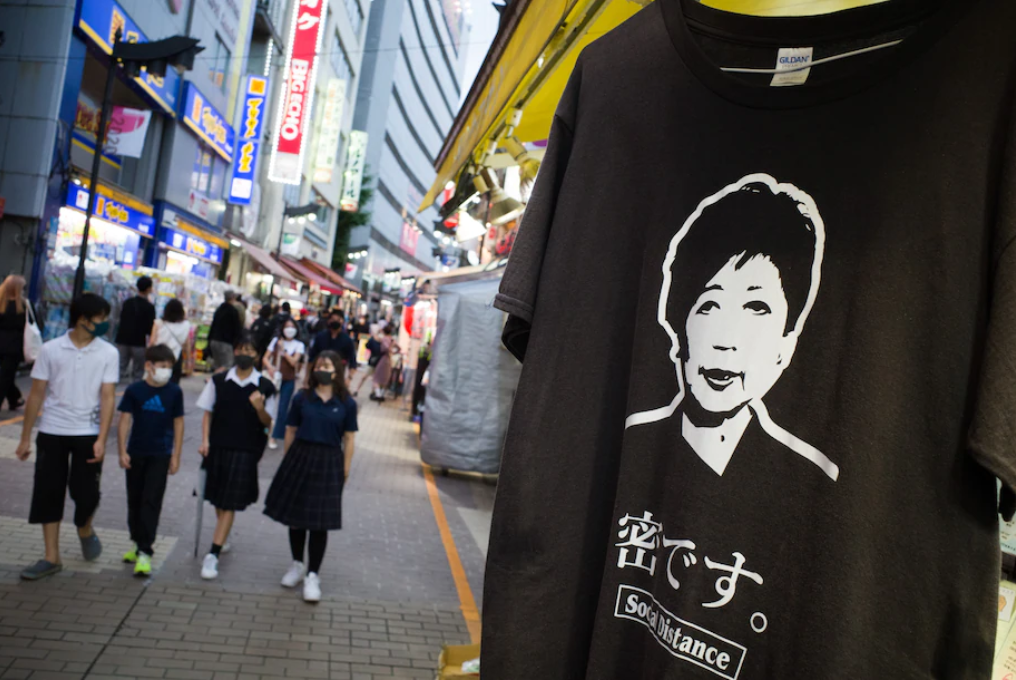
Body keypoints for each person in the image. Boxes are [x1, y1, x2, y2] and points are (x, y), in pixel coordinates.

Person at [625, 177, 838, 481]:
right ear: (677, 329)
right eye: (709, 305)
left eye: (756, 308)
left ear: (786, 346)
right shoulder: (629, 449)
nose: (725, 342)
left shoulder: (809, 479)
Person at [15, 293, 119, 580]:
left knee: (87, 495)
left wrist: (102, 438)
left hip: (88, 434)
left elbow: (108, 398)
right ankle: (52, 557)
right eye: (101, 318)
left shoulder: (108, 353)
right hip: (52, 430)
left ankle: (84, 528)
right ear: (83, 320)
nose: (105, 323)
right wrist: (25, 438)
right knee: (48, 494)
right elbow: (36, 394)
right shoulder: (51, 350)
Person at [264, 350, 357, 603]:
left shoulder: (346, 403)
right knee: (296, 518)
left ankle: (313, 574)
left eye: (328, 366)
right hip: (300, 457)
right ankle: (297, 564)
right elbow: (291, 430)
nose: (323, 370)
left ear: (337, 370)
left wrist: (345, 468)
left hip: (329, 462)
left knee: (319, 521)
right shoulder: (302, 398)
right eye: (319, 365)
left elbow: (349, 438)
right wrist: (288, 460)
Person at [196, 331, 277, 580]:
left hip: (246, 449)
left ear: (258, 355)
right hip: (218, 446)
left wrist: (259, 407)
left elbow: (268, 422)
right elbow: (207, 412)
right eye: (241, 350)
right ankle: (224, 533)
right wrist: (205, 440)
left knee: (229, 502)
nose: (244, 355)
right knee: (218, 500)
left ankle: (213, 553)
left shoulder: (265, 386)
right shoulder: (219, 380)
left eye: (250, 351)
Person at [116, 344, 184, 576]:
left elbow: (179, 423)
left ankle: (146, 551)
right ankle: (136, 542)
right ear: (149, 366)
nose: (166, 371)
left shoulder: (175, 392)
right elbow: (124, 420)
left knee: (151, 501)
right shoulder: (135, 391)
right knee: (134, 500)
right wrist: (122, 451)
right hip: (136, 452)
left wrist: (176, 455)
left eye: (169, 367)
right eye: (162, 366)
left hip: (161, 454)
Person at [264, 318, 305, 450]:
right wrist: (270, 367)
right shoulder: (275, 342)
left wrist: (284, 351)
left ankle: (274, 436)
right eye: (287, 326)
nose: (289, 329)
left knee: (282, 409)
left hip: (288, 379)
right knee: (268, 406)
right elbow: (265, 357)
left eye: (292, 326)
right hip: (274, 379)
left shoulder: (299, 345)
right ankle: (265, 431)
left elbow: (294, 362)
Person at [115, 275, 156, 383]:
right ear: (148, 289)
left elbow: (121, 319)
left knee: (120, 366)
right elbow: (149, 327)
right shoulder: (149, 307)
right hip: (138, 341)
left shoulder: (127, 302)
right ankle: (135, 391)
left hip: (122, 338)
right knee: (138, 370)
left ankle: (112, 388)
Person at [0, 275, 28, 410]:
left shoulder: (1, 302)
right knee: (5, 376)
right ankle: (14, 398)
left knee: (5, 376)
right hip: (14, 347)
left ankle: (14, 398)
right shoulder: (24, 305)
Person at [149, 299, 191, 384]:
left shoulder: (158, 323)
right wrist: (188, 360)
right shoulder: (186, 325)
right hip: (175, 357)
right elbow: (187, 344)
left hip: (159, 356)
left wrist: (148, 357)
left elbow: (152, 342)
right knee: (173, 383)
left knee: (157, 381)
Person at [308, 310, 358, 377]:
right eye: (333, 319)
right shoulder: (320, 337)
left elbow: (352, 362)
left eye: (338, 319)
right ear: (329, 321)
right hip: (318, 375)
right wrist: (307, 376)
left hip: (337, 377)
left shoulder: (347, 340)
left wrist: (349, 379)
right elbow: (311, 358)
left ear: (343, 321)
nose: (335, 321)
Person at [208, 292, 242, 372]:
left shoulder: (219, 309)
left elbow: (213, 325)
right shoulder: (233, 311)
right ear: (233, 298)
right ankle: (214, 380)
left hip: (214, 340)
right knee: (227, 365)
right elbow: (237, 329)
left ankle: (215, 382)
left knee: (217, 365)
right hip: (226, 342)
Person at [370, 325, 399, 402]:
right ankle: (381, 394)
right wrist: (394, 351)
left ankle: (379, 394)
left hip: (383, 359)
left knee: (376, 378)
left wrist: (391, 350)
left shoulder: (384, 339)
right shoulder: (391, 339)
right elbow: (399, 348)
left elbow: (386, 348)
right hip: (388, 360)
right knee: (385, 379)